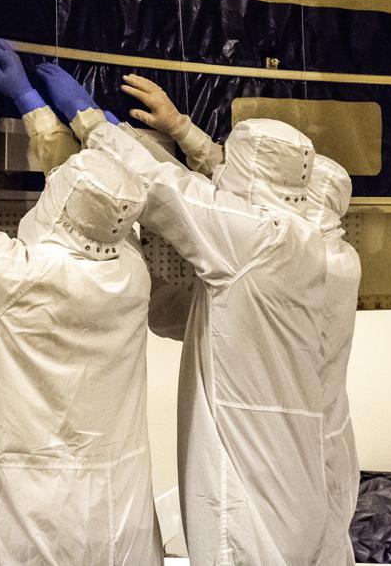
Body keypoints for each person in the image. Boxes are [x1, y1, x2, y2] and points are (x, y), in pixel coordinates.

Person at [36, 64, 330, 566]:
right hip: (291, 491)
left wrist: (90, 122)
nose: (217, 172)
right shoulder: (303, 237)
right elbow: (193, 317)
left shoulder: (256, 239)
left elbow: (166, 188)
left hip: (248, 508)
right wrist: (177, 129)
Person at [0, 43, 163, 566]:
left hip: (33, 522)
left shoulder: (15, 279)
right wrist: (33, 104)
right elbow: (91, 202)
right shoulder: (131, 272)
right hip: (122, 517)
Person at [120, 75, 362, 565]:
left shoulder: (277, 249)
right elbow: (242, 203)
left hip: (272, 469)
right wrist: (184, 132)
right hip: (311, 459)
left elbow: (189, 199)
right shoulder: (332, 257)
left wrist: (97, 127)